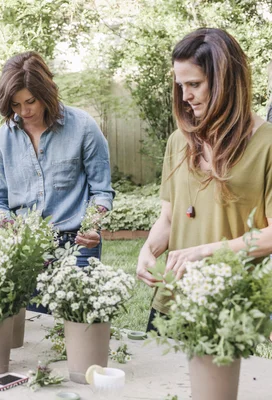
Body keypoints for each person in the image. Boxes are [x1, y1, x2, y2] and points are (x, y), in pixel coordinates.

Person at [136, 28, 272, 332]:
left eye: (195, 84)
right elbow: (170, 219)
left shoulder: (267, 145)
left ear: (226, 81)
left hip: (230, 308)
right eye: (180, 85)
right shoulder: (177, 141)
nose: (185, 97)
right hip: (172, 300)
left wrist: (203, 251)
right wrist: (148, 250)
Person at [0, 51, 115, 312]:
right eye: (15, 105)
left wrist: (92, 225)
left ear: (46, 92)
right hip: (26, 250)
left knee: (77, 332)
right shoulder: (2, 139)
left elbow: (101, 190)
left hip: (78, 245)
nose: (23, 111)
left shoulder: (83, 127)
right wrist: (12, 228)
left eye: (30, 101)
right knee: (34, 334)